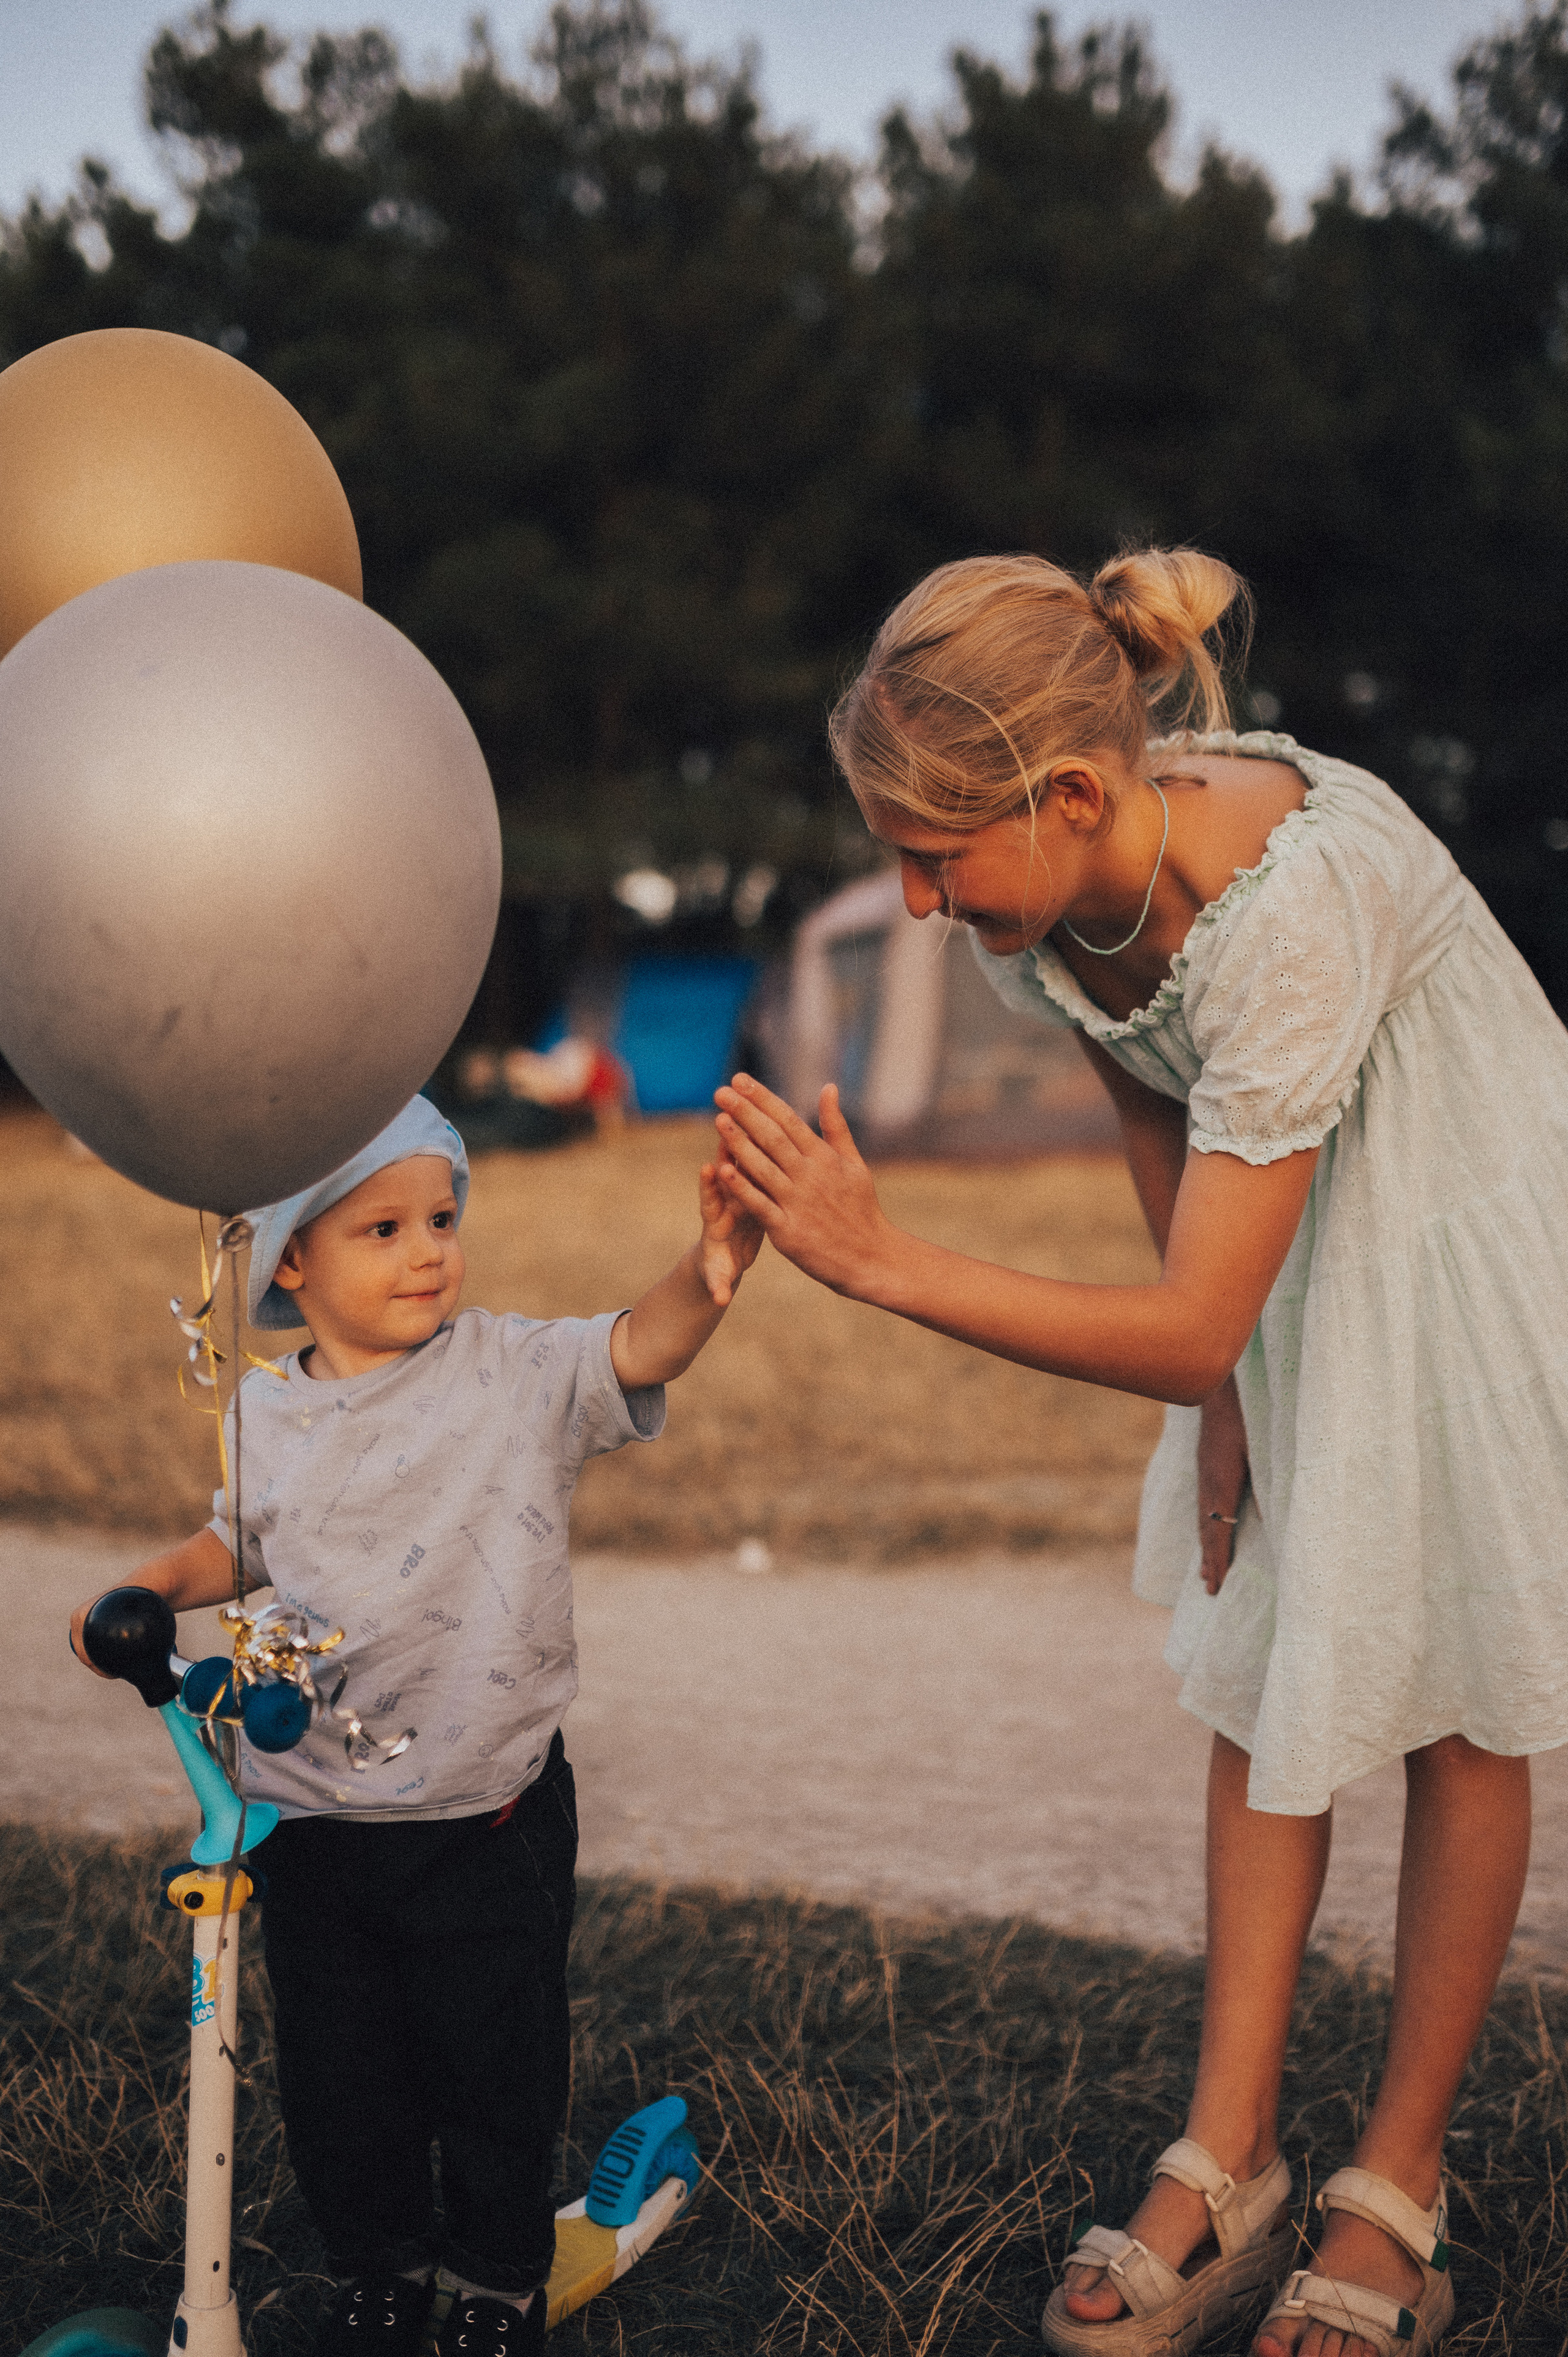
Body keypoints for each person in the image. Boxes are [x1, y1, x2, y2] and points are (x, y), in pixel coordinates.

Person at [711, 549, 1568, 2357]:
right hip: (1286, 1240)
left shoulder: (1297, 906)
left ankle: (1394, 2188)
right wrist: (1234, 1389)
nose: (916, 900)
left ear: (1078, 794)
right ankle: (1232, 2149)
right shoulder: (1055, 908)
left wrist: (884, 1263)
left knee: (1452, 1700)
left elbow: (1177, 1307)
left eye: (937, 857)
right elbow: (1143, 1083)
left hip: (1468, 1232)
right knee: (1265, 1663)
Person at [70, 1094, 763, 2357]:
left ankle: (497, 2275)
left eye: (442, 1216)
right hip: (314, 1819)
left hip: (480, 1811)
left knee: (491, 2063)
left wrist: (709, 1269)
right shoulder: (269, 1408)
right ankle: (378, 2264)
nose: (428, 1250)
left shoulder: (512, 1371)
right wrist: (156, 1587)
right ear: (291, 1260)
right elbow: (243, 1539)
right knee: (345, 2079)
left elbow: (636, 1348)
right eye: (382, 1228)